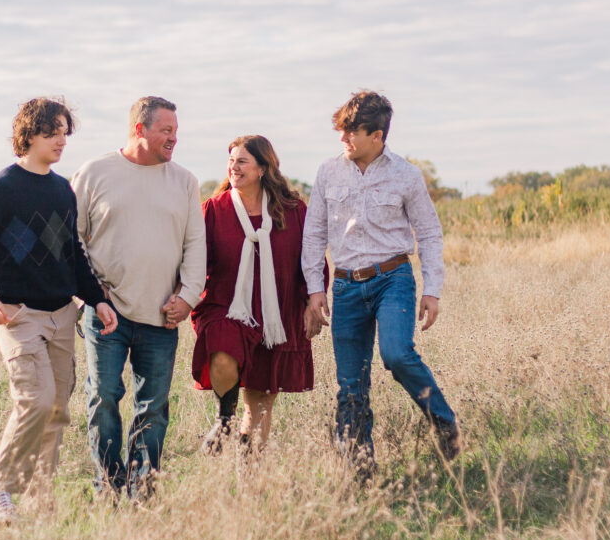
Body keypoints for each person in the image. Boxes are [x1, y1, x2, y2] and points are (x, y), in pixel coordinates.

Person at [0, 97, 118, 524]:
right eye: (52, 132)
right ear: (28, 135)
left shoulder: (63, 190)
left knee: (57, 410)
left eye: (65, 131)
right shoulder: (1, 189)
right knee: (36, 399)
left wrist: (97, 299)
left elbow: (74, 255)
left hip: (63, 313)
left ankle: (41, 503)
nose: (61, 140)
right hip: (16, 315)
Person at [302, 90, 461, 472]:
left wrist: (433, 289)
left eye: (351, 132)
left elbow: (429, 232)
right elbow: (313, 233)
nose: (343, 139)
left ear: (377, 135)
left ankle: (443, 422)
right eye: (341, 131)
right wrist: (314, 288)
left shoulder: (406, 175)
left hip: (394, 279)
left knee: (396, 354)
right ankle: (358, 466)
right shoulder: (327, 172)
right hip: (345, 285)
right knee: (350, 384)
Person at [71, 96, 205, 497]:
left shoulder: (184, 181)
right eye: (166, 131)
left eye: (176, 132)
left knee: (154, 407)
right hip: (106, 313)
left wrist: (187, 298)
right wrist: (88, 295)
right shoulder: (95, 173)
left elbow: (196, 245)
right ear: (138, 130)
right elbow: (71, 239)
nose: (173, 139)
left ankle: (143, 490)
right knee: (104, 398)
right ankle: (109, 488)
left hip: (162, 316)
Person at [190, 135, 326, 454]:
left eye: (242, 161)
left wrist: (311, 301)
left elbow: (312, 258)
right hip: (226, 307)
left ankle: (249, 474)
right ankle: (224, 419)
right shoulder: (213, 210)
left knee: (261, 404)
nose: (233, 167)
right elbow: (193, 259)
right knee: (222, 354)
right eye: (231, 161)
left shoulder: (292, 211)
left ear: (263, 168)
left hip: (275, 314)